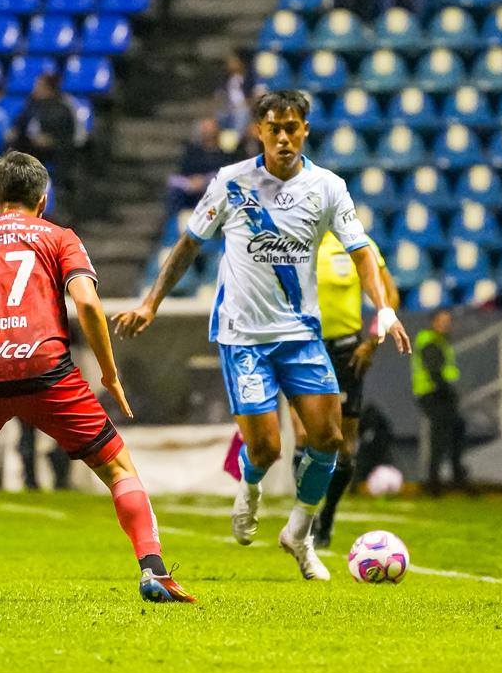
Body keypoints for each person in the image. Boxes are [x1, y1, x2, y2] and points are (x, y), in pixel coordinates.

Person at [113, 89, 411, 581]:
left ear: (305, 130)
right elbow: (190, 243)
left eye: (292, 127)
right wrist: (150, 302)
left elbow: (362, 252)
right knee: (267, 450)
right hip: (243, 335)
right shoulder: (231, 183)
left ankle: (299, 532)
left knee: (330, 438)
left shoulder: (329, 187)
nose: (284, 137)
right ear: (259, 131)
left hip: (301, 334)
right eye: (274, 129)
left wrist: (383, 310)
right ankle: (249, 489)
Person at [0, 151, 194, 603]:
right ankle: (152, 570)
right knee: (118, 467)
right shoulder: (59, 237)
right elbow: (85, 303)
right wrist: (109, 373)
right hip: (46, 370)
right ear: (43, 200)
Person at [223, 230, 399, 547]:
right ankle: (307, 515)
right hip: (302, 349)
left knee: (342, 446)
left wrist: (373, 339)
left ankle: (327, 515)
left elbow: (388, 293)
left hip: (347, 352)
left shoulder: (357, 242)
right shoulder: (291, 240)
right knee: (303, 436)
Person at [411, 308, 469, 496]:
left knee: (454, 430)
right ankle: (435, 482)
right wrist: (449, 391)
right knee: (441, 436)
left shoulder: (440, 341)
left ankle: (453, 478)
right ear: (433, 322)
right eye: (442, 320)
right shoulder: (430, 341)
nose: (445, 324)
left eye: (448, 320)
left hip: (439, 393)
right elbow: (435, 371)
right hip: (433, 393)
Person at [8, 71, 78, 202]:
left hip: (53, 155)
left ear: (48, 88)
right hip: (28, 150)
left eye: (39, 85)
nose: (35, 88)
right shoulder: (31, 105)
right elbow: (19, 126)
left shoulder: (62, 109)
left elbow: (67, 139)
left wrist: (50, 141)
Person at [167, 117, 227, 215]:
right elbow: (179, 174)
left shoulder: (224, 155)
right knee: (174, 192)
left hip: (212, 188)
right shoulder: (191, 152)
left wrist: (204, 180)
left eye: (210, 128)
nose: (207, 131)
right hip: (189, 188)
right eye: (205, 128)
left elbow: (224, 175)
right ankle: (173, 224)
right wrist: (188, 183)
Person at [216, 51, 253, 133]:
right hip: (228, 107)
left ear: (241, 63)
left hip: (243, 107)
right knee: (221, 114)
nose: (230, 64)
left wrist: (244, 104)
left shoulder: (249, 78)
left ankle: (236, 138)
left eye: (234, 61)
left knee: (242, 114)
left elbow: (253, 95)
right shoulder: (225, 79)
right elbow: (220, 94)